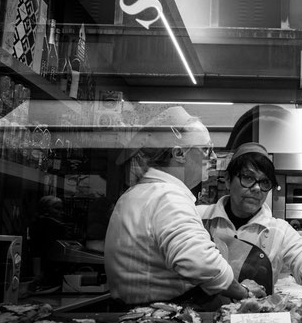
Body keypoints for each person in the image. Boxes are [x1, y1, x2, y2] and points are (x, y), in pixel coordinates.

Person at [104, 106, 261, 307]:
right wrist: (243, 292)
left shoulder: (133, 195)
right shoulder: (168, 197)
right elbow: (203, 265)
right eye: (206, 150)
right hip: (165, 312)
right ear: (179, 153)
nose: (213, 158)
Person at [197, 142, 302, 308]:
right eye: (248, 178)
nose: (257, 188)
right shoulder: (199, 217)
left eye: (264, 182)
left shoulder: (278, 230)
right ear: (227, 180)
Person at [29, 195, 66, 291]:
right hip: (45, 271)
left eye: (61, 209)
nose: (61, 212)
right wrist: (37, 274)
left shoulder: (53, 225)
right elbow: (36, 249)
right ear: (46, 209)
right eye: (57, 209)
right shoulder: (44, 225)